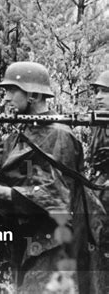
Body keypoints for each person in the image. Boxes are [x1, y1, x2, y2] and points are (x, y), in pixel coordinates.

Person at [0, 62, 99, 293]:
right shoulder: (22, 130)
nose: (5, 99)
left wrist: (4, 192)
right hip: (28, 240)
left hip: (54, 244)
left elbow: (58, 196)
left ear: (32, 94)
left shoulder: (59, 134)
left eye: (12, 91)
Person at [89, 70, 109, 293]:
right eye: (98, 91)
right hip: (100, 194)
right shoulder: (99, 122)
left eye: (105, 92)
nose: (98, 96)